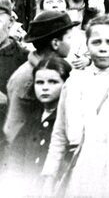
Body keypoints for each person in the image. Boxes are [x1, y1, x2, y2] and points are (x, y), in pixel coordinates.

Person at [41, 15, 109, 197]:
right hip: (79, 168)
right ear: (87, 44)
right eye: (96, 42)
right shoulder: (74, 81)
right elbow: (59, 134)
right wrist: (49, 178)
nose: (103, 48)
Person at [4, 10, 77, 144]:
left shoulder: (58, 68)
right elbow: (15, 130)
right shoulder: (25, 80)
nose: (72, 42)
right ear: (55, 43)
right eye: (69, 38)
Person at [4, 56, 71, 192]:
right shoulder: (33, 117)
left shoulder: (67, 120)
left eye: (53, 82)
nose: (45, 88)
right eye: (40, 82)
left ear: (65, 84)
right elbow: (17, 155)